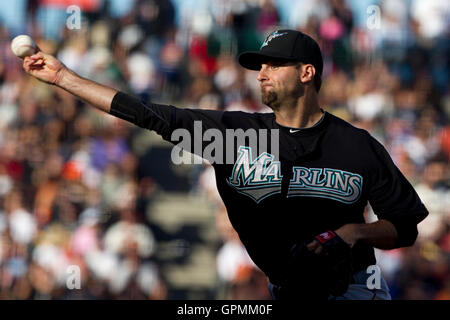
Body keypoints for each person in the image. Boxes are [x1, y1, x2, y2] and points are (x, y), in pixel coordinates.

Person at [22, 29, 428, 300]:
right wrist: (64, 79)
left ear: (307, 73)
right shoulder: (232, 135)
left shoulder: (357, 146)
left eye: (274, 64)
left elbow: (405, 227)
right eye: (259, 66)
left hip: (355, 290)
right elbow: (147, 113)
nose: (261, 73)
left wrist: (356, 231)